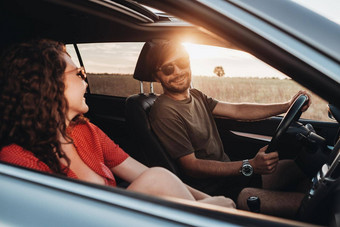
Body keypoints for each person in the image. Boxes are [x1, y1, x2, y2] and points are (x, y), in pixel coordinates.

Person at [0, 39, 235, 209]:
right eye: (78, 74)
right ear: (48, 86)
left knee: (158, 176)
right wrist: (213, 209)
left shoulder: (86, 131)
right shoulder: (16, 160)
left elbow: (152, 175)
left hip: (119, 214)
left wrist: (207, 202)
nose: (86, 82)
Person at [147, 41, 312, 218]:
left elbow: (237, 110)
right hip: (216, 192)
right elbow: (191, 166)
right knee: (314, 204)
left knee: (301, 167)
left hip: (234, 177)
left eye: (181, 62)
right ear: (156, 76)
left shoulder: (196, 95)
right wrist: (249, 165)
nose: (178, 71)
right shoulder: (164, 111)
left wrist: (286, 106)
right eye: (168, 68)